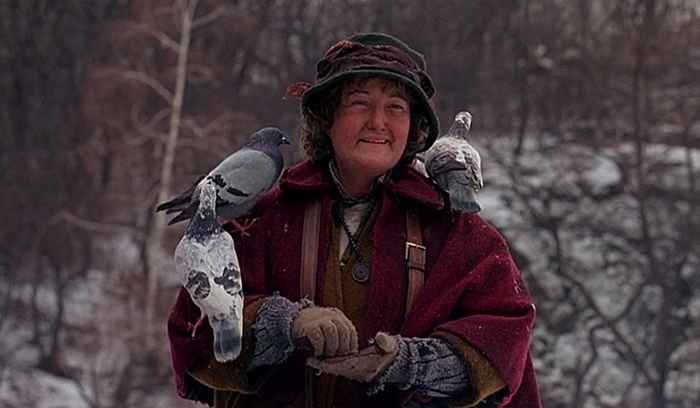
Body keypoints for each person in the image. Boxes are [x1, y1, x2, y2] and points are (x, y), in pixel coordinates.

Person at [167, 32, 542, 408]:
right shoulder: (261, 220)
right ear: (327, 118)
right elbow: (193, 332)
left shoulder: (459, 233)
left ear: (413, 127)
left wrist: (410, 363)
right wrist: (284, 323)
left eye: (396, 107)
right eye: (359, 104)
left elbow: (504, 342)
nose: (378, 122)